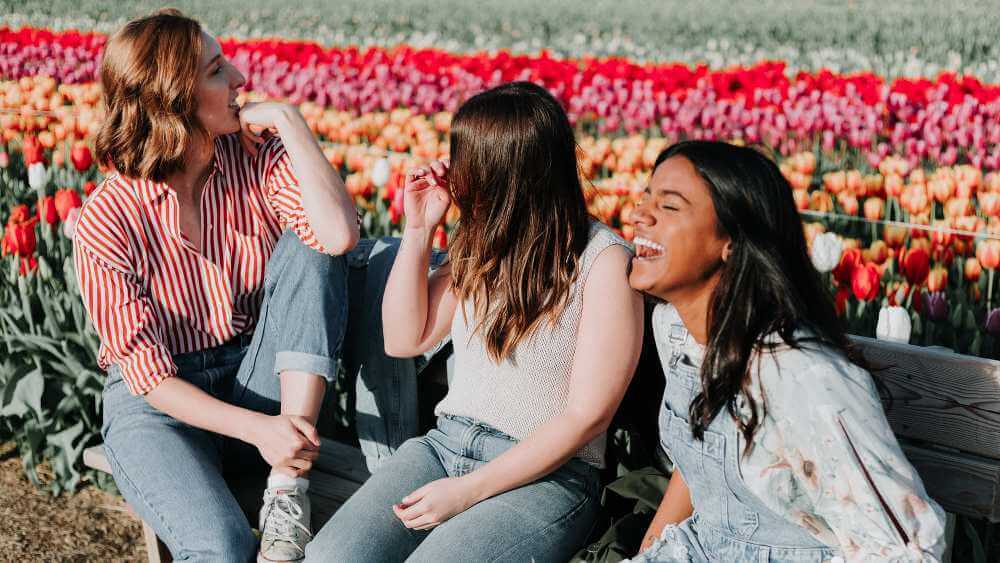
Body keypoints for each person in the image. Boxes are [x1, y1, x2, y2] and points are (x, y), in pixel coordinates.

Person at [306, 81, 644, 562]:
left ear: (502, 171)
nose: (454, 170)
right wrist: (420, 228)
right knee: (331, 558)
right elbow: (405, 339)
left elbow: (588, 415)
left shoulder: (603, 261)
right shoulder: (483, 246)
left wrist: (467, 491)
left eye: (463, 156)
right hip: (444, 447)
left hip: (548, 475)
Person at [73, 9, 359, 562]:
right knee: (220, 547)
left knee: (310, 245)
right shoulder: (107, 218)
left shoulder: (256, 159)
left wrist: (293, 124)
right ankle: (278, 459)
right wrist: (260, 428)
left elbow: (339, 236)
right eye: (217, 69)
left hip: (257, 381)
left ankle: (286, 487)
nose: (241, 79)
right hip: (161, 411)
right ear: (173, 99)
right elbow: (150, 378)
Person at [626, 141, 947, 562]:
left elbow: (907, 550)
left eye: (669, 207)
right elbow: (700, 468)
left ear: (733, 243)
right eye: (645, 197)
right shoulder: (674, 329)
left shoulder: (800, 375)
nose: (638, 214)